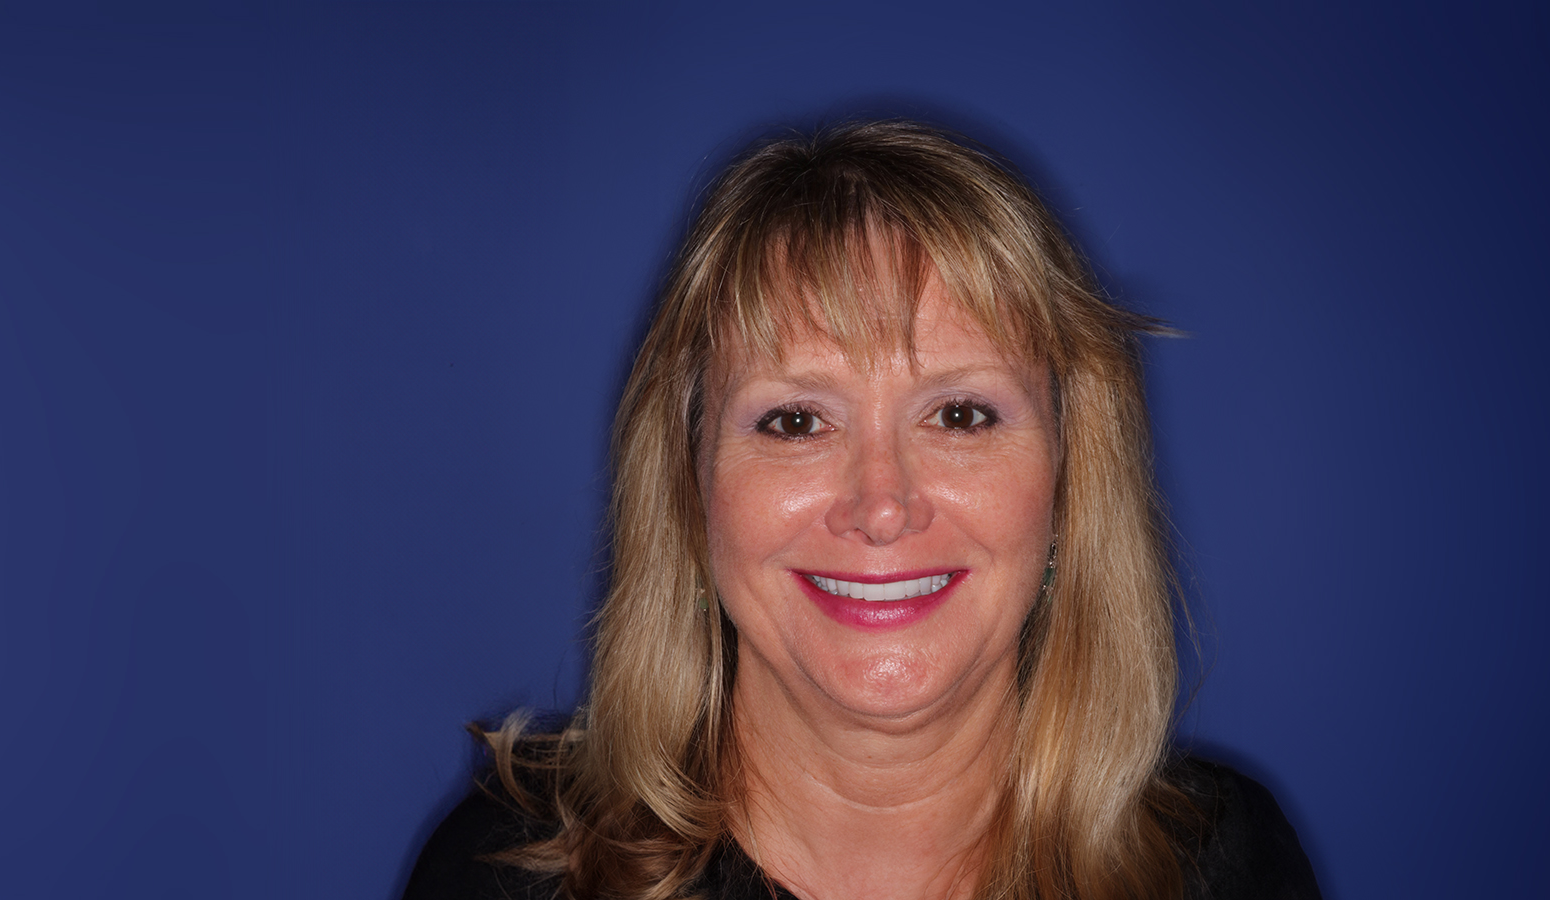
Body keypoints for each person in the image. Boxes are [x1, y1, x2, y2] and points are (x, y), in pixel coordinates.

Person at [403, 120, 1321, 900]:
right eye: (795, 420)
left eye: (960, 414)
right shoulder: (510, 876)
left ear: (1071, 482)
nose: (880, 505)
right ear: (689, 492)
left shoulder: (1215, 865)